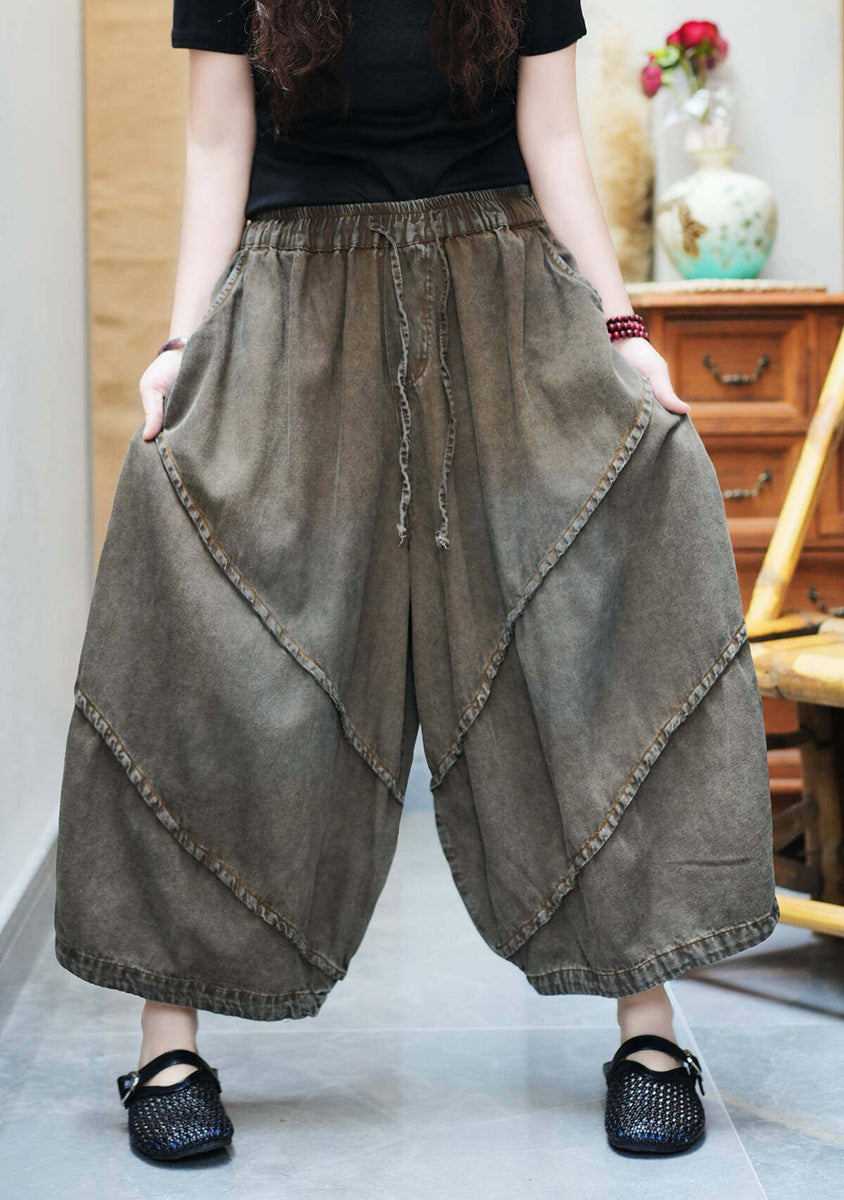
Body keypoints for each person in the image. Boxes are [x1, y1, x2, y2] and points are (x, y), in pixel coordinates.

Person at [54, 0, 780, 1163]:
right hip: (298, 301)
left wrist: (622, 326)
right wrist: (180, 345)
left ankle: (650, 1032)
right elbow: (217, 144)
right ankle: (167, 1045)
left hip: (500, 292)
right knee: (195, 614)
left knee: (587, 616)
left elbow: (552, 135)